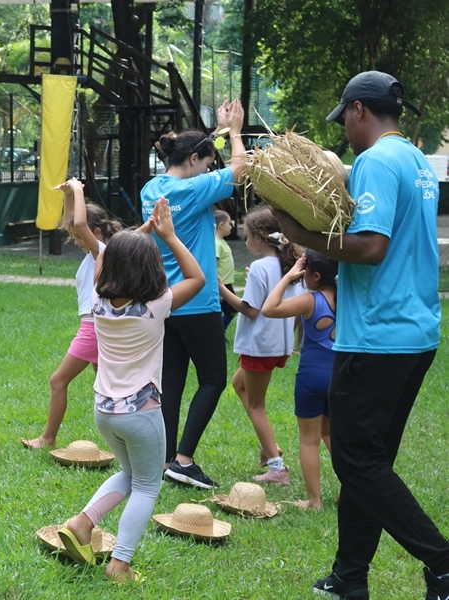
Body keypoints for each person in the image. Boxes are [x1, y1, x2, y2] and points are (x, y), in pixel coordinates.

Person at [272, 71, 449, 600]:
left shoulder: (375, 161)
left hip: (377, 336)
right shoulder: (418, 161)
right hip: (415, 332)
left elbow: (371, 246)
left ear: (357, 111)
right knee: (370, 461)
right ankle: (350, 577)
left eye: (344, 119)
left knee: (355, 460)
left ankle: (441, 561)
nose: (345, 130)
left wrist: (303, 236)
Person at [58, 198, 204, 582]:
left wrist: (140, 234)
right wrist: (167, 235)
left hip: (104, 411)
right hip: (141, 412)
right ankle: (120, 563)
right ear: (151, 269)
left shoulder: (97, 298)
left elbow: (112, 257)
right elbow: (198, 278)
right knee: (147, 483)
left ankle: (82, 523)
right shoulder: (157, 304)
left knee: (130, 472)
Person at [139, 99, 246, 489]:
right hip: (198, 300)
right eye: (206, 161)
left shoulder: (151, 189)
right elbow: (239, 169)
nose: (209, 169)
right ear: (196, 159)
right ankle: (183, 460)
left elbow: (208, 163)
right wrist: (234, 132)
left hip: (165, 301)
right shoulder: (196, 189)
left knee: (172, 382)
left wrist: (214, 133)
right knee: (214, 378)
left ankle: (166, 457)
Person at [21, 178, 121, 449]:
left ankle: (48, 438)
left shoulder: (104, 250)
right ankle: (121, 439)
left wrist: (78, 189)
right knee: (107, 386)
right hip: (101, 326)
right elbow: (73, 221)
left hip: (93, 327)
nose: (77, 241)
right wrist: (68, 195)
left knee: (58, 380)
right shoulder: (100, 251)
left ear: (96, 231)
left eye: (79, 236)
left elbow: (79, 223)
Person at [218, 206, 301, 484]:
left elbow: (251, 310)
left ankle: (277, 466)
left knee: (256, 405)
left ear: (262, 237)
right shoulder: (288, 263)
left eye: (248, 235)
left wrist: (222, 290)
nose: (245, 241)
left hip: (260, 345)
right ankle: (270, 448)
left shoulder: (260, 267)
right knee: (239, 385)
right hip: (279, 344)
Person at [261, 250, 337, 510]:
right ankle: (350, 489)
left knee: (309, 440)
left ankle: (314, 501)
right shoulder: (348, 296)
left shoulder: (310, 300)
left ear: (315, 276)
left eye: (304, 273)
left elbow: (269, 308)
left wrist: (288, 277)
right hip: (339, 376)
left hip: (312, 376)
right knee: (331, 433)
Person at [214, 210, 237, 329]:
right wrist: (218, 289)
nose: (231, 227)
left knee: (232, 309)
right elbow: (214, 266)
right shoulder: (217, 244)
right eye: (229, 223)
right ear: (221, 225)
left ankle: (220, 330)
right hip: (221, 284)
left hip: (226, 283)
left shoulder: (221, 242)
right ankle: (219, 330)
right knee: (231, 309)